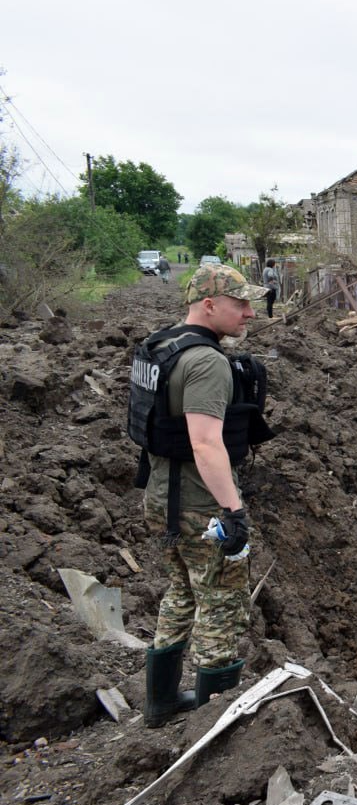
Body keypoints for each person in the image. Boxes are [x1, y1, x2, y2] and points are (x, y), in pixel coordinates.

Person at [127, 264, 274, 727]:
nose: (250, 313)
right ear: (208, 305)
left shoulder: (161, 346)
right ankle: (218, 724)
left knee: (181, 593)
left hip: (159, 497)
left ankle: (162, 703)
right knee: (223, 605)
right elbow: (205, 443)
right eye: (240, 304)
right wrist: (234, 511)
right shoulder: (207, 362)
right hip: (199, 507)